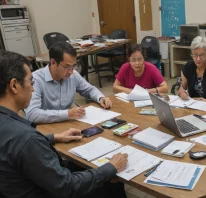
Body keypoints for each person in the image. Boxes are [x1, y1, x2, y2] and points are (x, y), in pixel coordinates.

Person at [0, 50, 128, 198]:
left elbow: (13, 149)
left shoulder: (12, 127)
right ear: (14, 86)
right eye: (30, 82)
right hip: (46, 190)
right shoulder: (27, 138)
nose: (33, 88)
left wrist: (53, 137)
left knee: (78, 164)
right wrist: (111, 167)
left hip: (21, 184)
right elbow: (67, 186)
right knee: (111, 180)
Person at [24, 42, 112, 124]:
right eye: (67, 67)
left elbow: (89, 89)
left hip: (67, 123)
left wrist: (100, 98)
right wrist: (67, 114)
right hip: (45, 127)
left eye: (74, 66)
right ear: (53, 63)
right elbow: (32, 114)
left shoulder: (73, 75)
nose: (70, 71)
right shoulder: (35, 80)